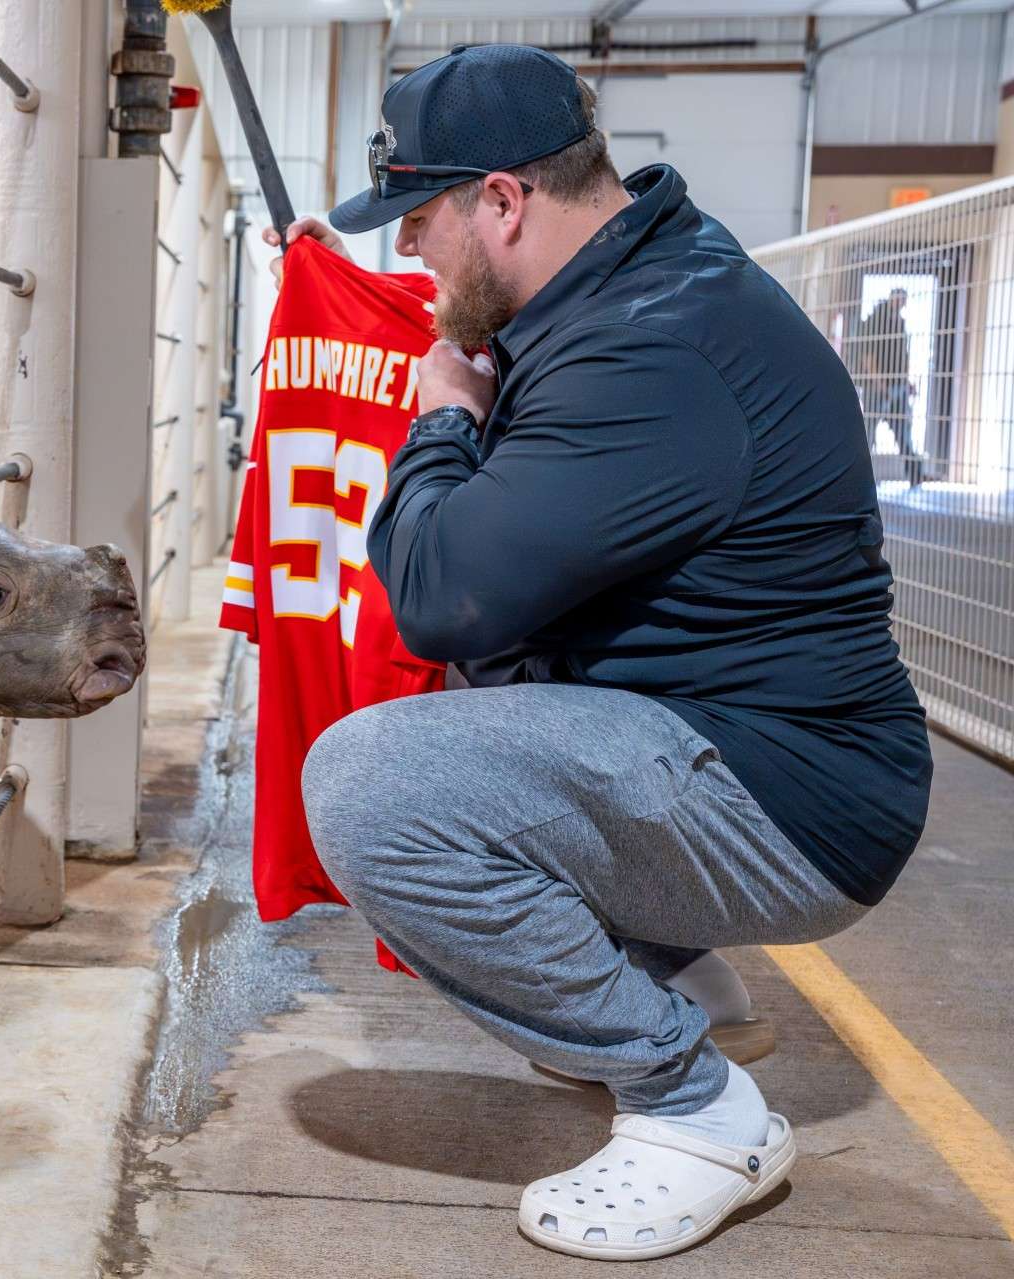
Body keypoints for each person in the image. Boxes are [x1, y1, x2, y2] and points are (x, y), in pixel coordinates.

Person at [269, 44, 931, 1261]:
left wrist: (440, 415)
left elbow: (438, 592)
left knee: (370, 783)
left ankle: (693, 1107)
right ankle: (679, 971)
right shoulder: (625, 287)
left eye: (420, 221)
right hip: (739, 745)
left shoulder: (652, 352)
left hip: (795, 802)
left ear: (504, 200)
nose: (407, 255)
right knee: (491, 684)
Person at [855, 287, 923, 485]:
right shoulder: (876, 319)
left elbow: (901, 355)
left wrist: (906, 381)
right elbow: (868, 356)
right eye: (899, 300)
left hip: (897, 386)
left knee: (904, 432)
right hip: (877, 387)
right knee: (868, 435)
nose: (902, 304)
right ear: (892, 299)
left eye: (904, 301)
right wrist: (880, 384)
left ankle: (915, 475)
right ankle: (861, 479)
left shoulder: (899, 322)